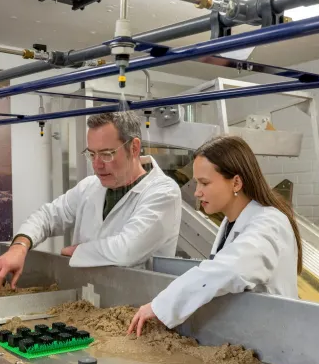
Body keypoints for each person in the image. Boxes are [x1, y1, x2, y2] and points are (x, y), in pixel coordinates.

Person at [128, 135, 301, 336]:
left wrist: (161, 306)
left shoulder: (270, 223)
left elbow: (231, 269)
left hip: (278, 339)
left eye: (204, 183)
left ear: (236, 183)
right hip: (254, 334)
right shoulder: (229, 223)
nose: (197, 193)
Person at [0, 111, 181, 288]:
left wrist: (78, 251)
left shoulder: (163, 192)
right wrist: (20, 246)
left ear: (134, 147)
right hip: (89, 301)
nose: (97, 165)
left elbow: (127, 249)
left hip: (136, 307)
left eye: (107, 154)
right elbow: (48, 216)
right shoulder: (90, 186)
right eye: (91, 154)